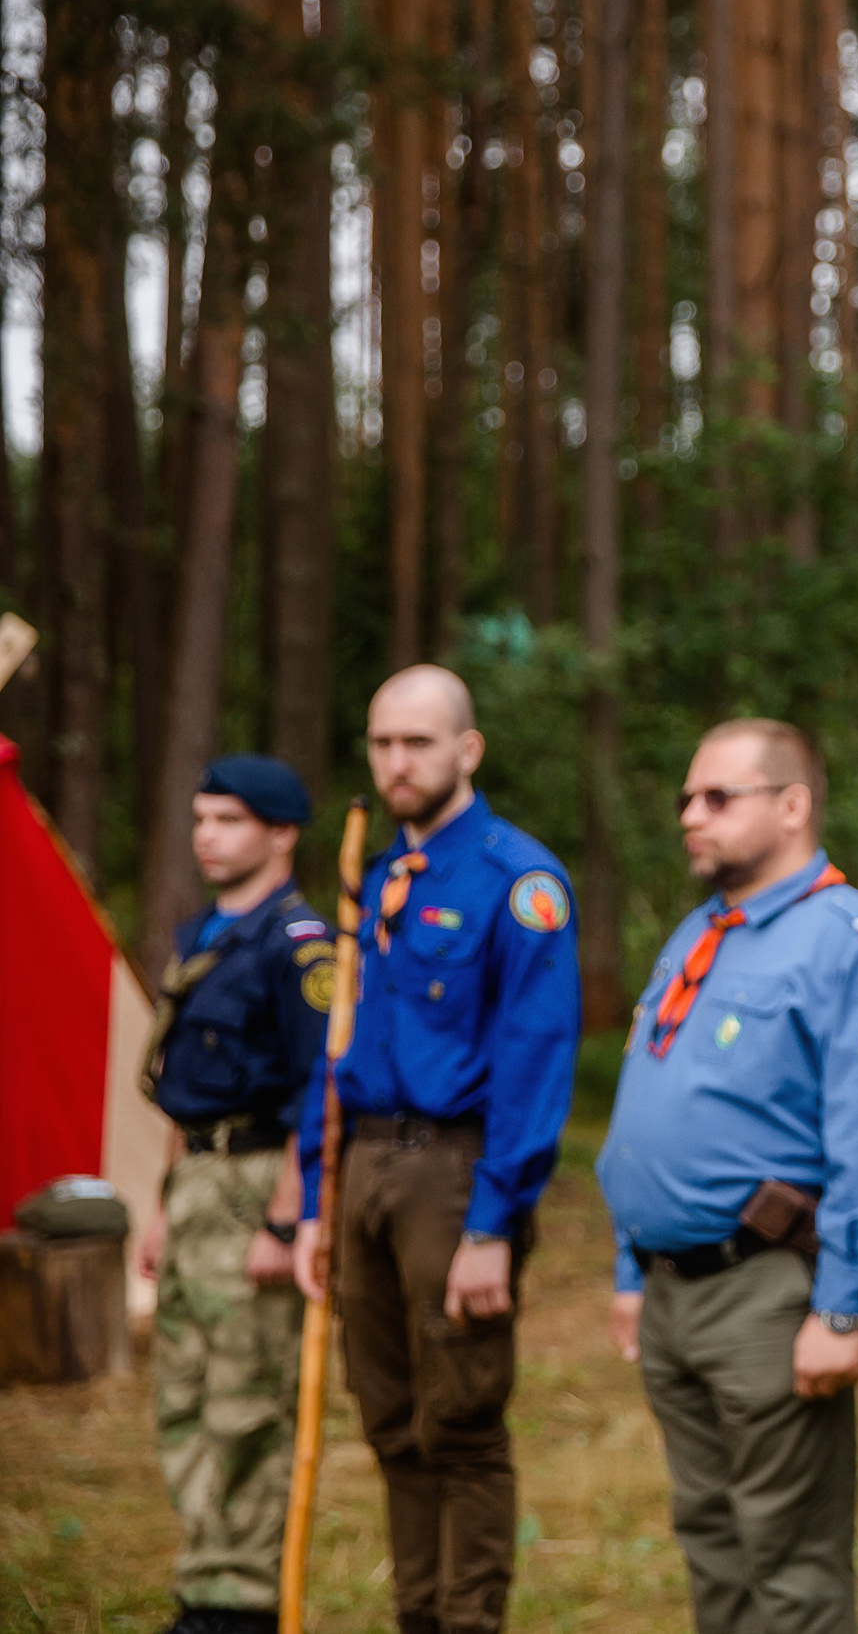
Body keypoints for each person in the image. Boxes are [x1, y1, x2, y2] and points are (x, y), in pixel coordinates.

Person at [597, 720, 858, 1632]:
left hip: (765, 1290)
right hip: (673, 1293)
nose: (689, 817)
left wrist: (843, 1307)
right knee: (712, 1542)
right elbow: (654, 1110)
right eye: (684, 799)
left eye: (717, 797)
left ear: (792, 806)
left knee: (790, 1566)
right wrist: (634, 1270)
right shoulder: (702, 933)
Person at [293, 665, 582, 1634]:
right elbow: (339, 1048)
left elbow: (536, 1061)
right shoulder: (378, 878)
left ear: (468, 750)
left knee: (458, 1423)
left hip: (452, 1176)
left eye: (418, 742)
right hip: (365, 1165)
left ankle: (468, 1624)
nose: (396, 762)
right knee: (389, 1422)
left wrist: (494, 1222)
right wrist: (310, 1198)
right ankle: (417, 1616)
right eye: (381, 743)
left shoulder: (519, 882)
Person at [136, 755, 331, 1634]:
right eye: (201, 817)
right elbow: (180, 1087)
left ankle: (241, 1599)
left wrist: (288, 1220)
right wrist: (158, 1202)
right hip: (194, 1184)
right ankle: (203, 1574)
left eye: (230, 820)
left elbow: (317, 1095)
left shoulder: (301, 947)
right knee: (182, 1390)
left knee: (247, 1397)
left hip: (257, 1182)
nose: (207, 835)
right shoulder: (203, 937)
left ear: (281, 832)